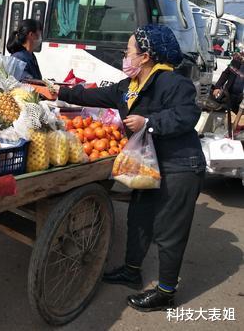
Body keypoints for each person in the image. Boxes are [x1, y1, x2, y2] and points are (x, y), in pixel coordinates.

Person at [52, 24, 206, 312]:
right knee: (139, 218)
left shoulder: (173, 83)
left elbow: (187, 116)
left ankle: (166, 292)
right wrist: (57, 92)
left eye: (129, 50)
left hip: (180, 165)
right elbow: (92, 96)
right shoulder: (128, 88)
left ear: (145, 56)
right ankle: (131, 270)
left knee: (169, 231)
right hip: (147, 166)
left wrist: (150, 123)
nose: (126, 55)